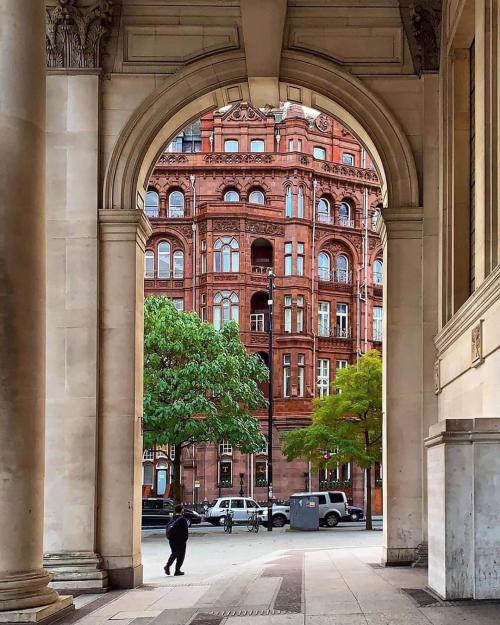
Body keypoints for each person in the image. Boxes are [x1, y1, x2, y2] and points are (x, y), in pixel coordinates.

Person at [164, 503, 188, 576]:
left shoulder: (172, 518)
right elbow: (185, 531)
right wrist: (185, 540)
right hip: (180, 540)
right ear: (182, 510)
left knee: (174, 553)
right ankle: (177, 570)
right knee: (181, 555)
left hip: (172, 539)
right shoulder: (183, 519)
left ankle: (167, 565)